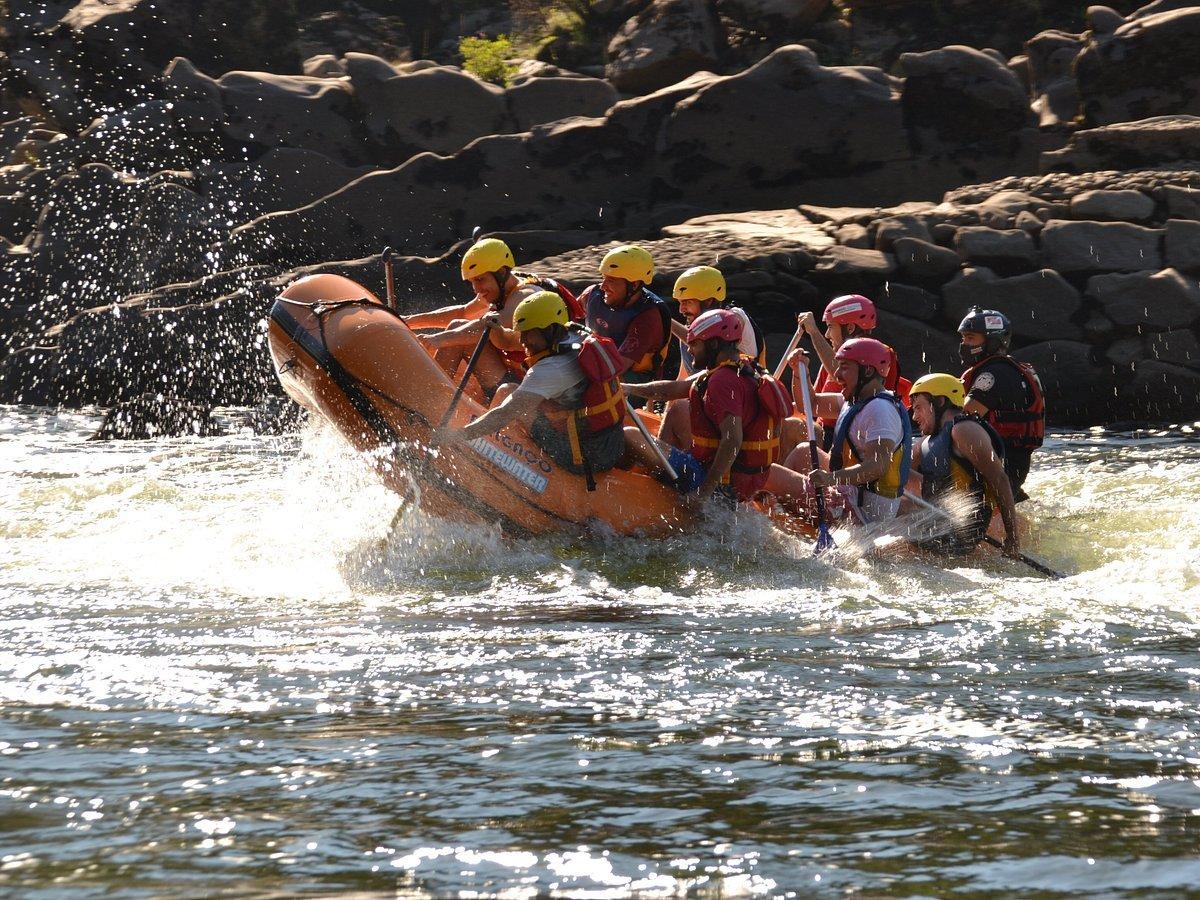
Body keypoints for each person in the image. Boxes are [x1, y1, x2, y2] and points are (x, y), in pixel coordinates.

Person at [431, 291, 627, 488]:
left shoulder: (553, 368)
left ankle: (492, 460)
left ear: (548, 329)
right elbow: (508, 341)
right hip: (609, 441)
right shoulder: (570, 334)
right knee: (517, 394)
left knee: (508, 393)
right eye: (521, 332)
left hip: (581, 454)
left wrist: (457, 436)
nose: (523, 340)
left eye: (527, 333)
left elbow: (504, 414)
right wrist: (495, 329)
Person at [623, 309, 805, 510]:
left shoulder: (722, 382)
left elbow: (732, 440)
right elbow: (672, 390)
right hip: (738, 482)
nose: (690, 350)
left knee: (630, 436)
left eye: (695, 344)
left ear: (714, 344)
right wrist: (628, 389)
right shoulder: (742, 365)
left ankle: (626, 485)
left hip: (717, 486)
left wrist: (703, 494)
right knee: (677, 410)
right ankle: (659, 479)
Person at [406, 238, 581, 397]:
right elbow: (464, 312)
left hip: (530, 388)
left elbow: (485, 328)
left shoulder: (525, 297)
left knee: (459, 337)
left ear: (502, 272)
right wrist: (409, 321)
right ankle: (428, 397)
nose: (476, 288)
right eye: (472, 282)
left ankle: (427, 401)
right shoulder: (501, 288)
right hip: (511, 374)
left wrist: (436, 339)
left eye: (480, 280)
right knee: (456, 324)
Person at [783, 337, 913, 525]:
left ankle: (776, 512)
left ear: (867, 371)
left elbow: (878, 466)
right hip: (851, 492)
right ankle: (783, 508)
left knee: (771, 475)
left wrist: (830, 479)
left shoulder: (880, 410)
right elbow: (809, 405)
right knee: (803, 450)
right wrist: (798, 373)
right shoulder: (856, 400)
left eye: (844, 367)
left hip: (863, 513)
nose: (836, 374)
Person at [780, 294, 910, 459]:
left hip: (847, 437)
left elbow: (838, 374)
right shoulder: (831, 360)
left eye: (830, 327)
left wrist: (814, 332)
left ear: (849, 328)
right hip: (825, 432)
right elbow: (809, 403)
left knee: (792, 429)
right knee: (778, 424)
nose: (827, 334)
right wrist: (797, 378)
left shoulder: (879, 356)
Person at [907, 373, 1020, 557]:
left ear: (940, 401)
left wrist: (1013, 538)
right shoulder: (927, 441)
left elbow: (999, 479)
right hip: (937, 522)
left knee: (881, 554)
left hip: (962, 530)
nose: (914, 416)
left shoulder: (964, 430)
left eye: (918, 408)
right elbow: (900, 472)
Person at [659, 265, 766, 448]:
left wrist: (667, 322)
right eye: (680, 302)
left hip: (740, 411)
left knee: (679, 410)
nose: (681, 309)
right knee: (676, 410)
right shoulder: (693, 331)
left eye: (688, 302)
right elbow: (683, 377)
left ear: (709, 301)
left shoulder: (734, 319)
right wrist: (664, 414)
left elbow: (712, 339)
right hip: (708, 407)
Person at [957, 307, 1045, 502]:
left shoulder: (995, 374)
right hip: (1007, 460)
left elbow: (965, 417)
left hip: (1002, 462)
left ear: (993, 341)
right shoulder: (1005, 369)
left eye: (971, 338)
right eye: (963, 338)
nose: (964, 345)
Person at [580, 245, 672, 387]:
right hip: (597, 362)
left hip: (633, 378)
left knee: (591, 386)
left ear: (634, 285)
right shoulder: (592, 294)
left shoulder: (647, 317)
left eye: (611, 281)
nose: (603, 286)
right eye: (603, 278)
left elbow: (618, 366)